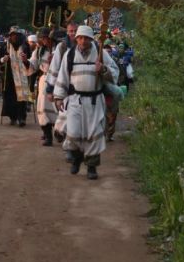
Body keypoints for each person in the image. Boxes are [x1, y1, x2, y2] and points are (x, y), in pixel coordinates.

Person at [53, 25, 119, 180]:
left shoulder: (100, 53)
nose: (83, 41)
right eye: (80, 38)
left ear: (91, 39)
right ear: (76, 39)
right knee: (74, 133)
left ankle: (91, 167)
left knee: (94, 134)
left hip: (95, 102)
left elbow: (115, 71)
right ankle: (76, 159)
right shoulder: (69, 55)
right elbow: (63, 77)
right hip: (75, 100)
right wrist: (58, 97)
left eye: (86, 38)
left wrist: (103, 70)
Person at [28, 28, 58, 146]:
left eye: (46, 38)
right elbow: (33, 65)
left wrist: (55, 59)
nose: (44, 40)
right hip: (45, 80)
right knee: (43, 108)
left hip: (58, 80)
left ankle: (60, 132)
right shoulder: (39, 51)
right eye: (42, 38)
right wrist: (26, 61)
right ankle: (48, 135)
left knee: (58, 108)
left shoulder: (59, 48)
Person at [0, 27, 31, 126]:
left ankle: (22, 117)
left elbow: (30, 58)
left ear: (19, 35)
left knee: (21, 97)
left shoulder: (25, 45)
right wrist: (3, 59)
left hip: (22, 75)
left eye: (15, 35)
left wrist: (26, 59)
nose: (14, 37)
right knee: (11, 97)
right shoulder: (6, 46)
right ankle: (13, 117)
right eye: (12, 35)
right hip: (10, 75)